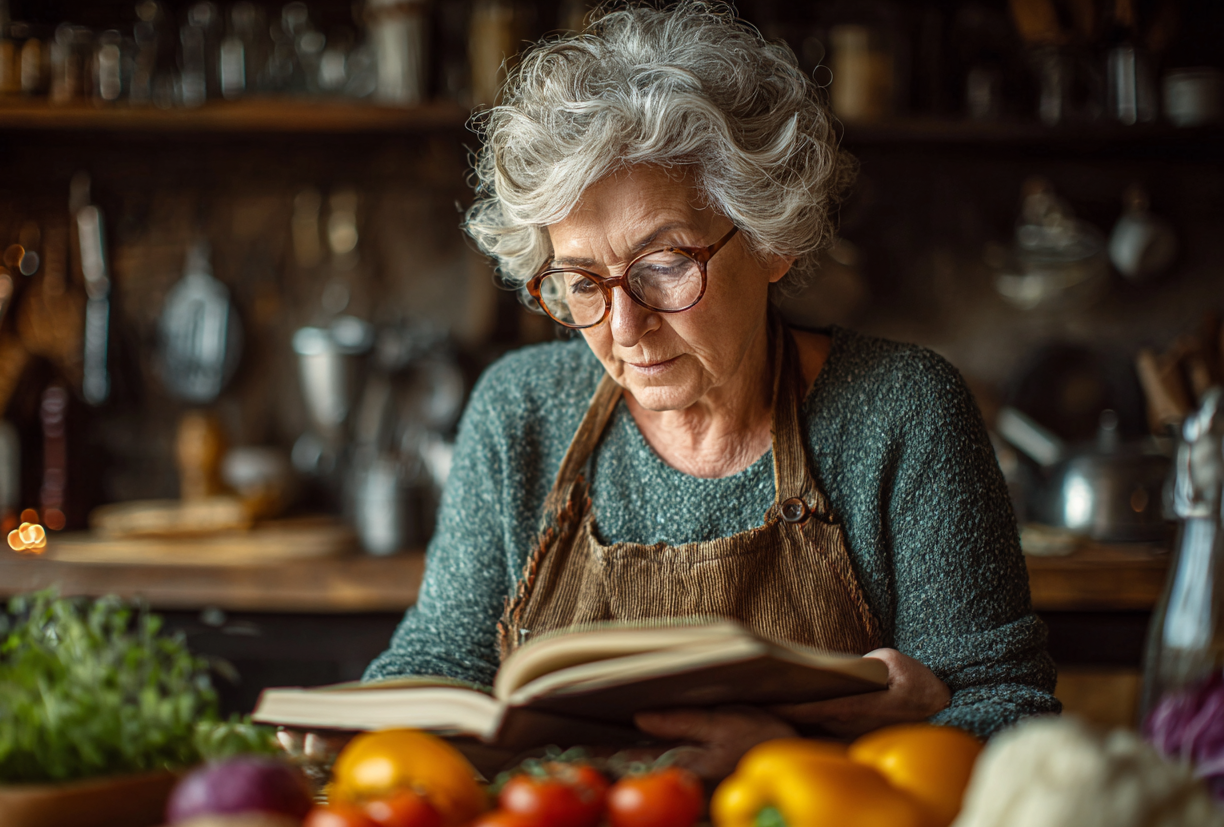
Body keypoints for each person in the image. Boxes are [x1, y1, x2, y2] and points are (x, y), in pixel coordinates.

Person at [364, 1, 1058, 778]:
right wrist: (358, 733)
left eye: (664, 265)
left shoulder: (902, 410)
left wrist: (793, 758)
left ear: (771, 239)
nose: (626, 327)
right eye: (582, 282)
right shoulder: (519, 408)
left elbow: (1011, 716)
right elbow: (440, 662)